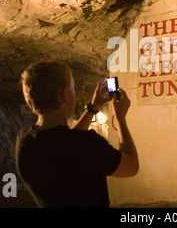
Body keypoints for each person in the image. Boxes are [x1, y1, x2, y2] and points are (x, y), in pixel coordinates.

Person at [15, 60, 138, 207]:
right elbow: (131, 166)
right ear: (65, 94)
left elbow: (65, 145)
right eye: (73, 88)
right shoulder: (87, 144)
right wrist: (120, 118)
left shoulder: (24, 139)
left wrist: (93, 107)